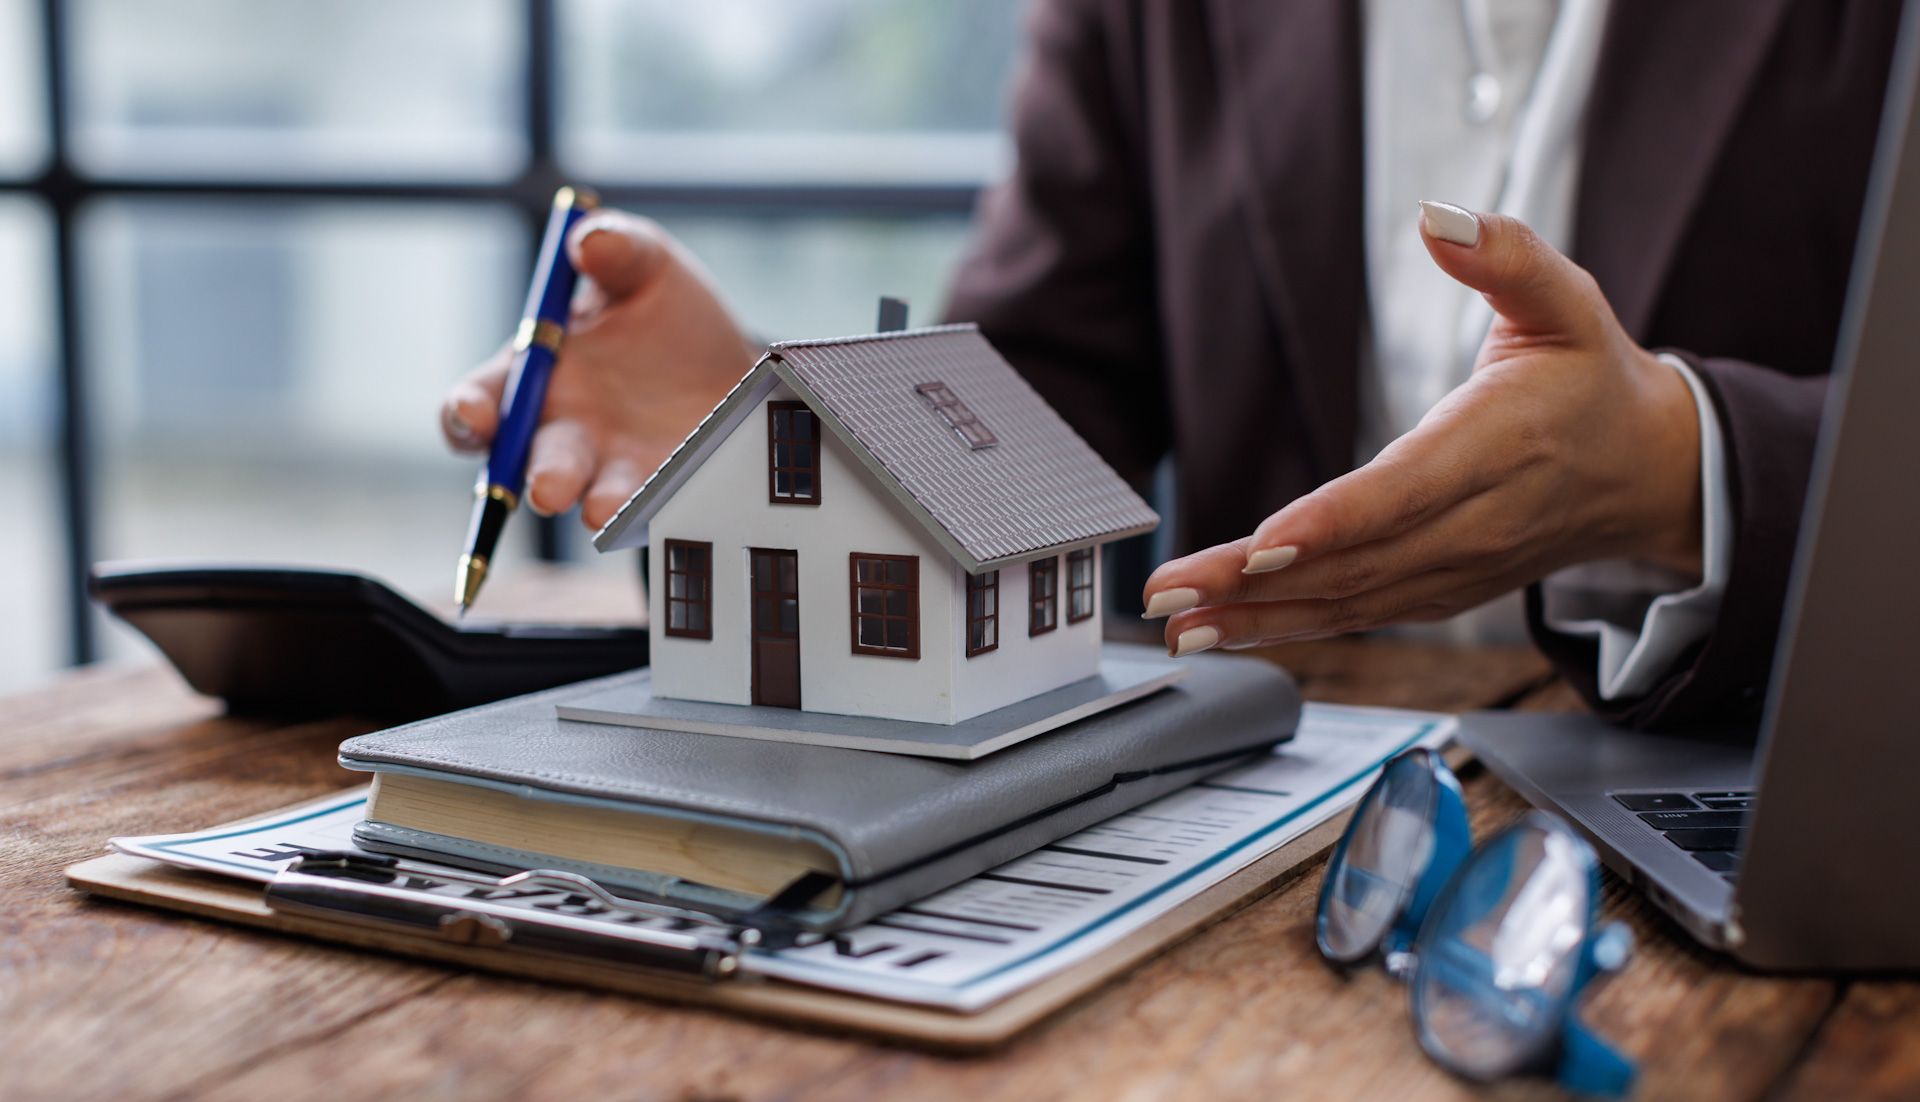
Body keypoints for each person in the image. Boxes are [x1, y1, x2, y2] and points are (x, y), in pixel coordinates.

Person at [440, 0, 1901, 728]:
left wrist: (1692, 470)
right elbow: (1049, 391)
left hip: (1769, 776)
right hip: (1271, 804)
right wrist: (796, 446)